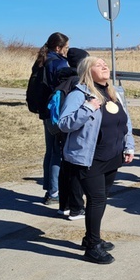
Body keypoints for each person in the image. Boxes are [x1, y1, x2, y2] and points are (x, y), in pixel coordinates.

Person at [58, 57, 135, 264]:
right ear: (87, 70)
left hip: (112, 157)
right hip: (89, 159)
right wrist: (88, 108)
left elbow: (125, 122)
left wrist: (129, 146)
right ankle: (92, 247)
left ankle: (90, 238)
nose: (104, 66)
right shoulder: (79, 95)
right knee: (97, 200)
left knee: (99, 201)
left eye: (105, 64)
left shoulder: (113, 92)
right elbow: (64, 124)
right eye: (98, 64)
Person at [33, 32, 70, 205]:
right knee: (57, 153)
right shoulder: (59, 63)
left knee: (50, 151)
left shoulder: (42, 61)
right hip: (55, 112)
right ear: (58, 47)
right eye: (66, 47)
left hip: (45, 112)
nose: (67, 51)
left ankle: (49, 189)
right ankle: (54, 192)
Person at [54, 47, 90, 220]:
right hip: (71, 128)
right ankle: (76, 208)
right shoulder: (77, 81)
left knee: (65, 166)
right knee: (75, 169)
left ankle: (64, 205)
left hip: (59, 127)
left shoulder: (62, 76)